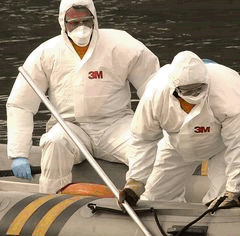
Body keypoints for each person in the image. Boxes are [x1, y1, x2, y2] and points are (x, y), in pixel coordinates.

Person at [7, 0, 160, 193]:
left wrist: (162, 132)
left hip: (115, 125)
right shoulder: (46, 53)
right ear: (63, 22)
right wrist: (19, 153)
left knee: (145, 150)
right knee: (54, 143)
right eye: (74, 22)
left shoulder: (122, 45)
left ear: (95, 19)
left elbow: (154, 87)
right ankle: (52, 200)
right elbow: (21, 104)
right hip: (70, 128)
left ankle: (150, 201)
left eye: (86, 21)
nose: (81, 28)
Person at [121, 51, 240, 209]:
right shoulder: (155, 94)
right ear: (174, 88)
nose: (194, 95)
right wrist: (136, 181)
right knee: (154, 198)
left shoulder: (229, 92)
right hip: (175, 146)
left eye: (198, 89)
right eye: (187, 91)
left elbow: (239, 143)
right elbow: (143, 139)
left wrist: (233, 189)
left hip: (221, 148)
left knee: (221, 203)